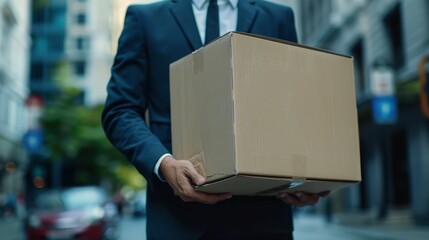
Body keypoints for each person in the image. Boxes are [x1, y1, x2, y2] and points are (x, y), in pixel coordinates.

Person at [102, 0, 328, 239]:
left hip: (264, 219)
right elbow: (120, 111)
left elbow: (293, 108)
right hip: (177, 220)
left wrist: (306, 181)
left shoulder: (278, 17)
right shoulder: (144, 18)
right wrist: (164, 164)